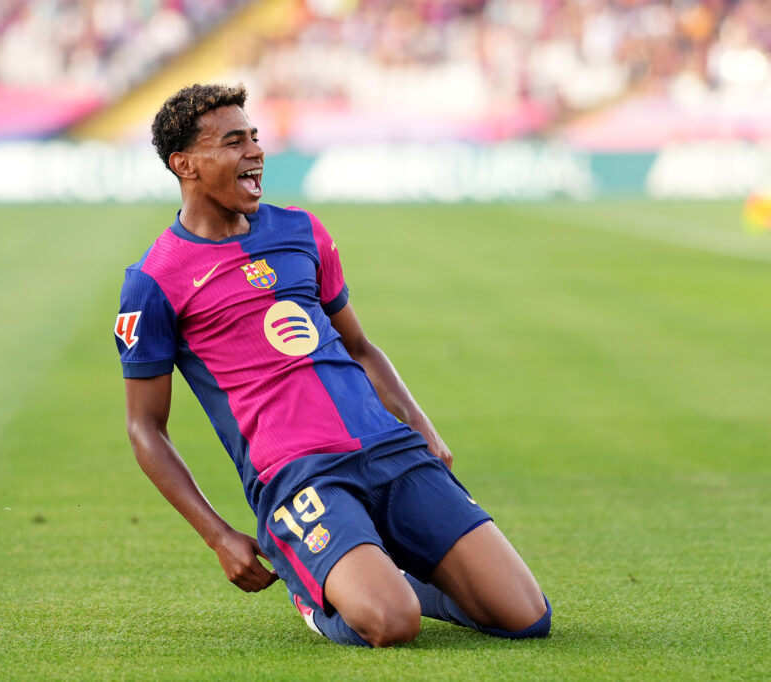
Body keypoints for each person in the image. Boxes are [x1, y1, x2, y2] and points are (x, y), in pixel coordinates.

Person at [115, 83, 550, 647]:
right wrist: (219, 536)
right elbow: (144, 428)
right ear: (185, 164)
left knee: (524, 618)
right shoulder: (154, 281)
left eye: (254, 137)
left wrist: (422, 427)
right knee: (391, 624)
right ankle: (316, 593)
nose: (254, 152)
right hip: (299, 476)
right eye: (232, 142)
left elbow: (362, 349)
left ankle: (387, 576)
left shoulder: (301, 231)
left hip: (388, 449)